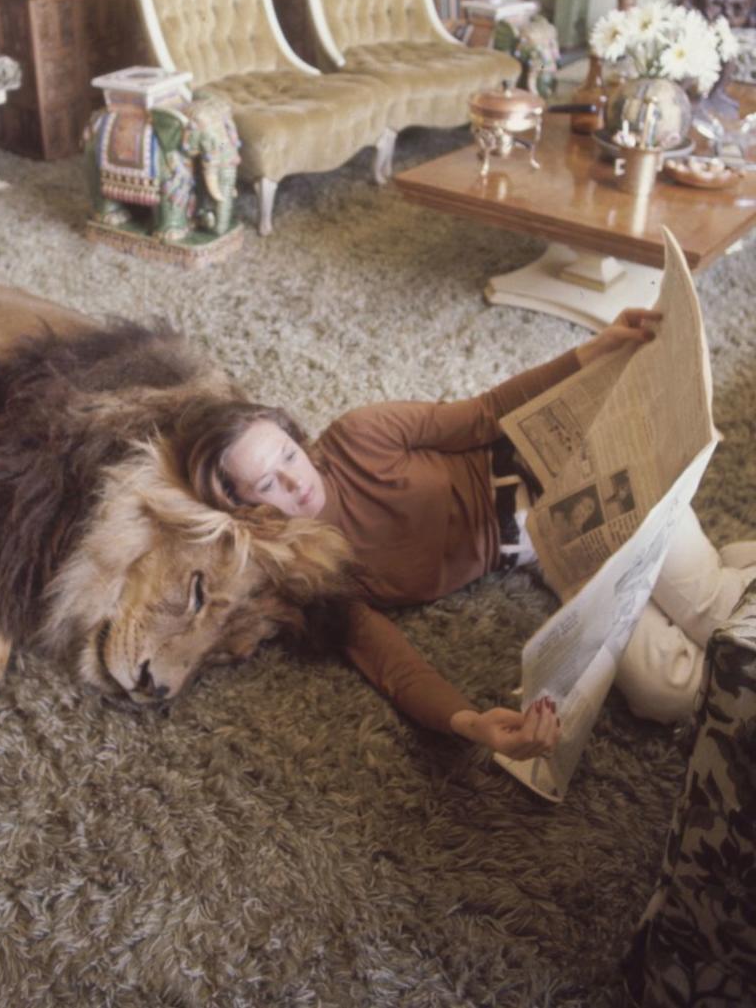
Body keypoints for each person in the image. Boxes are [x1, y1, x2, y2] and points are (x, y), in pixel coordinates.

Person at [175, 309, 755, 763]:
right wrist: (471, 723)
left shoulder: (360, 434)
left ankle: (729, 579)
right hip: (547, 553)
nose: (294, 480)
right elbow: (394, 667)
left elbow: (486, 413)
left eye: (289, 453)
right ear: (242, 505)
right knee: (668, 693)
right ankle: (740, 566)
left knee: (710, 610)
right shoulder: (314, 573)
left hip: (574, 475)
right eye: (267, 483)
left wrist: (593, 351)